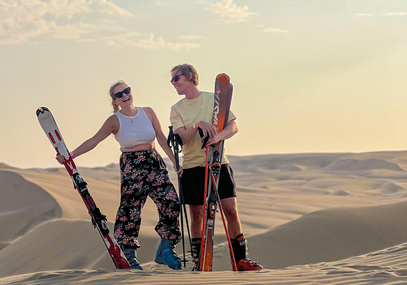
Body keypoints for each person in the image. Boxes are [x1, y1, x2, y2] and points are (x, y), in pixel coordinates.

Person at [56, 81, 182, 270]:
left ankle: (165, 249)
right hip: (132, 165)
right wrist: (70, 155)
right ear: (115, 100)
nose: (125, 95)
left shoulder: (148, 112)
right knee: (130, 210)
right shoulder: (114, 120)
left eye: (127, 90)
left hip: (154, 162)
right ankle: (129, 256)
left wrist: (174, 160)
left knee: (171, 202)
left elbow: (161, 138)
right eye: (119, 94)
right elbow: (94, 140)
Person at [169, 64, 262, 271]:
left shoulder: (214, 99)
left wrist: (217, 137)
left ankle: (240, 260)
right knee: (197, 214)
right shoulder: (177, 109)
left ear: (191, 77)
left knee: (230, 210)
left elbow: (233, 126)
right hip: (193, 165)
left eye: (177, 78)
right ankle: (199, 261)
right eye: (172, 80)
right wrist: (197, 125)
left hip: (219, 162)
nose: (173, 83)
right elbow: (182, 138)